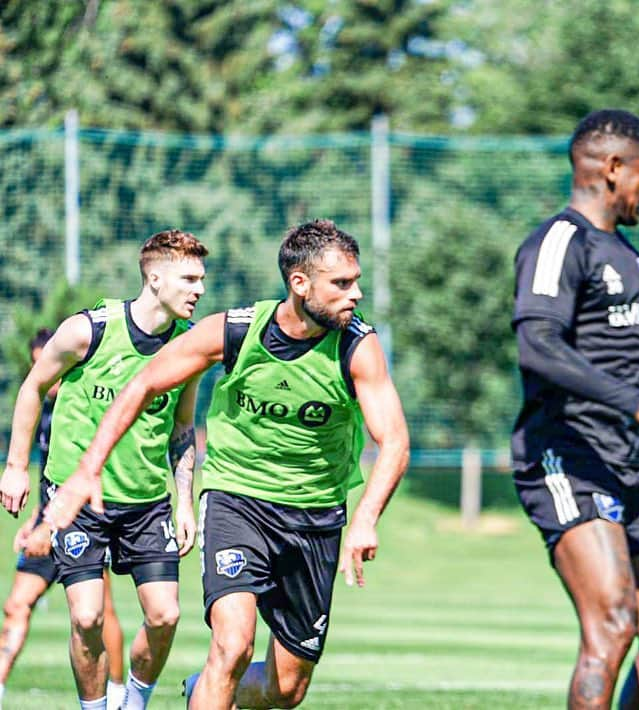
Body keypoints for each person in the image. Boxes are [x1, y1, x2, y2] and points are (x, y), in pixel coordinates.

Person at [40, 219, 410, 710]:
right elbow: (143, 383)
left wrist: (365, 517)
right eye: (342, 283)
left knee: (287, 690)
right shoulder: (236, 330)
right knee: (232, 646)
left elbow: (395, 441)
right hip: (238, 500)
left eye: (356, 280)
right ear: (300, 284)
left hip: (316, 515)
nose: (356, 293)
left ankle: (202, 690)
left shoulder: (356, 347)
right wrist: (90, 467)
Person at [511, 109, 639, 709]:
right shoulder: (558, 242)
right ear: (612, 168)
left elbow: (632, 374)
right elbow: (536, 345)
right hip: (565, 456)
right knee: (613, 623)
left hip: (627, 464)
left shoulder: (629, 258)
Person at [2, 230, 208, 710]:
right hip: (77, 501)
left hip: (146, 502)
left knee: (165, 616)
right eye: (189, 278)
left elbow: (182, 430)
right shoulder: (87, 330)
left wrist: (184, 502)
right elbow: (33, 388)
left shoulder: (188, 348)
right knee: (88, 618)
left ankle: (133, 701)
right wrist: (15, 468)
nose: (199, 289)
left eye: (201, 279)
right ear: (155, 278)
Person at [0, 329, 125, 710]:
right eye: (39, 363)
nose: (47, 373)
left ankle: (118, 693)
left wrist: (50, 524)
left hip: (83, 524)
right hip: (44, 525)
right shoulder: (42, 413)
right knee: (16, 605)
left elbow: (89, 475)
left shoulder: (84, 409)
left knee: (98, 614)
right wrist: (37, 517)